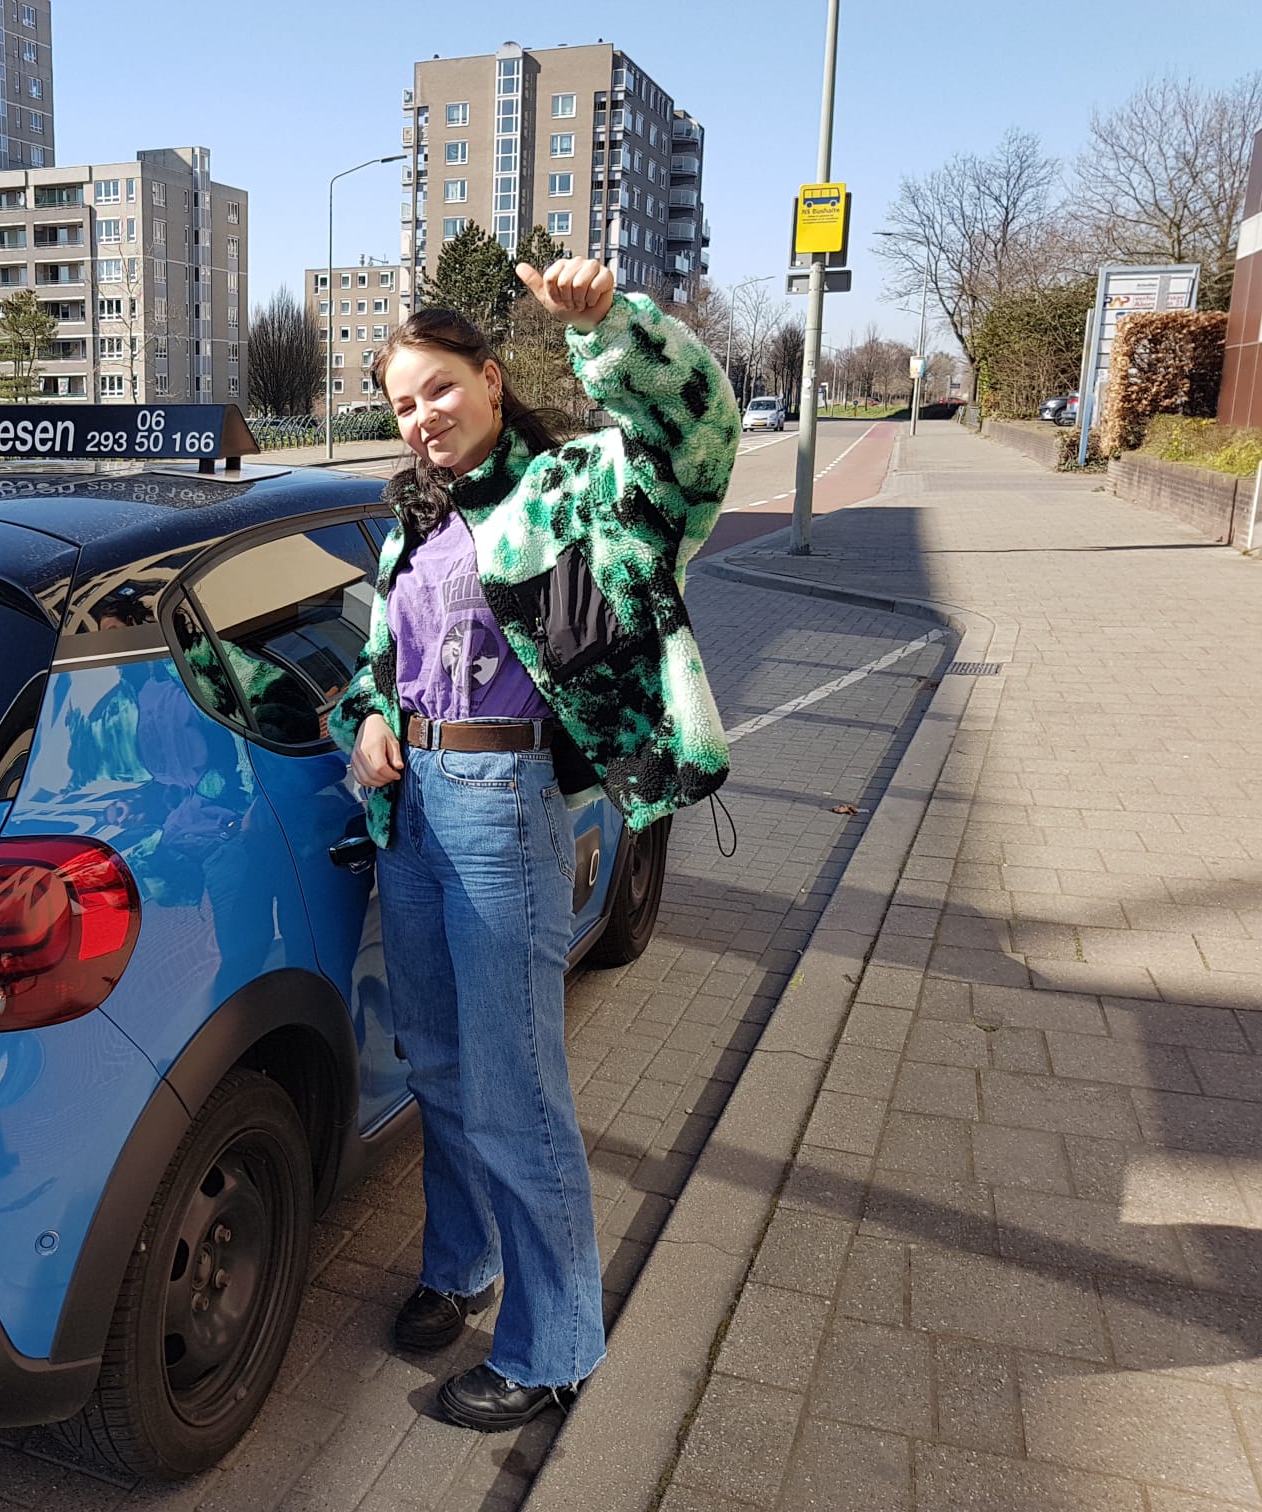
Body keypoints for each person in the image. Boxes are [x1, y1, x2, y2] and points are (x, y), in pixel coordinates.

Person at [327, 258, 738, 1431]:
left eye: (439, 388)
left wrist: (609, 329)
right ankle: (462, 1265)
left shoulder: (568, 490)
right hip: (412, 810)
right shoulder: (418, 523)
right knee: (438, 1065)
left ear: (493, 379)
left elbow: (696, 445)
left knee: (515, 1088)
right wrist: (369, 718)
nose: (422, 416)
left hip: (502, 807)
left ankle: (555, 1345)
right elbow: (382, 660)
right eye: (403, 404)